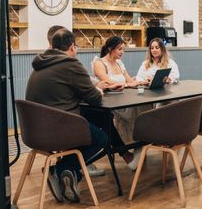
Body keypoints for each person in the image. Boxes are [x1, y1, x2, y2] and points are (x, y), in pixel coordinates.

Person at [25, 29, 109, 203]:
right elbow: (94, 99)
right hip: (59, 130)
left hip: (34, 132)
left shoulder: (40, 64)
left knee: (90, 124)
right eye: (76, 47)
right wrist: (100, 89)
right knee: (102, 137)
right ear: (71, 47)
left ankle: (71, 173)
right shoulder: (70, 64)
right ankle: (63, 168)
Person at [91, 36, 146, 160]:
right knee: (136, 110)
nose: (122, 52)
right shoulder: (99, 63)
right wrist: (129, 84)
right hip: (109, 103)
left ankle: (139, 144)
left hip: (124, 98)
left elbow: (129, 80)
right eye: (120, 49)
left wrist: (141, 81)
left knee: (142, 106)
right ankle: (133, 145)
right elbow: (110, 84)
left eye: (123, 49)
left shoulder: (119, 63)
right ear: (111, 48)